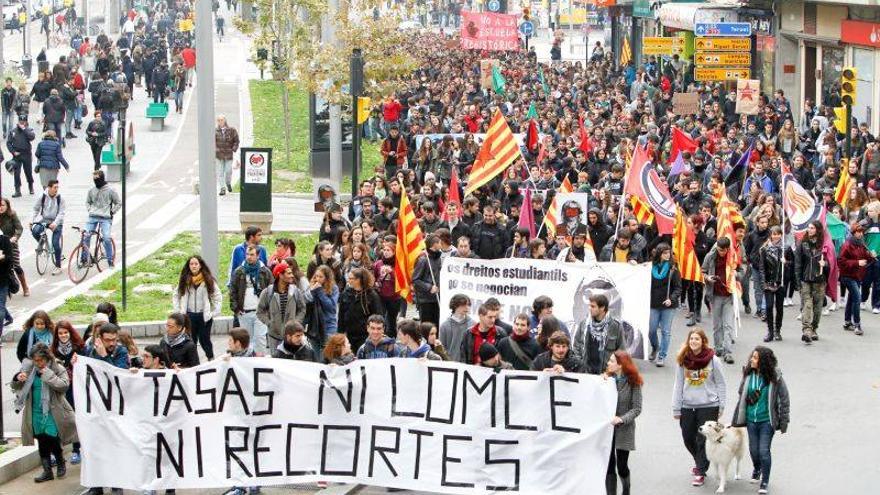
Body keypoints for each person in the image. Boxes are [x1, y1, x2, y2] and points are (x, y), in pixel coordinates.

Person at [12, 344, 77, 484]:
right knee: (41, 439)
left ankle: (60, 463)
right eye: (35, 360)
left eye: (41, 360)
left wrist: (48, 374)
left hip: (53, 410)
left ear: (47, 358)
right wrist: (18, 378)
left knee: (52, 438)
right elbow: (16, 387)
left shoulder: (57, 368)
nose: (38, 363)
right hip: (35, 410)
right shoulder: (29, 369)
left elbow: (64, 385)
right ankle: (47, 471)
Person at [731, 347, 791, 495]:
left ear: (763, 361)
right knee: (753, 450)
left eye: (756, 358)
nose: (752, 359)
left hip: (767, 421)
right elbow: (741, 395)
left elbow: (784, 399)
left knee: (764, 451)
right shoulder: (748, 375)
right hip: (752, 420)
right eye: (752, 357)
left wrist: (784, 420)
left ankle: (765, 480)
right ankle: (757, 468)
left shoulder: (775, 378)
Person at [672, 329, 726, 488]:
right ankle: (700, 460)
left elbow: (721, 383)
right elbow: (678, 384)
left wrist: (721, 404)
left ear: (703, 341)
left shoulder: (713, 360)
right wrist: (676, 408)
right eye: (691, 339)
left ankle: (701, 471)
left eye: (697, 339)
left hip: (709, 406)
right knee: (688, 437)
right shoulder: (682, 360)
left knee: (703, 440)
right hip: (687, 406)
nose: (693, 341)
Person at [604, 350, 643, 495]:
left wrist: (621, 419)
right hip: (607, 429)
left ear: (620, 365)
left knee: (621, 465)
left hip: (624, 429)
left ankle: (626, 490)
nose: (608, 363)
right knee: (609, 465)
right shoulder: (606, 379)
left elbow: (637, 408)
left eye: (611, 361)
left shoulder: (634, 381)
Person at [701, 237, 742, 363]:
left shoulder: (733, 257)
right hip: (715, 295)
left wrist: (737, 274)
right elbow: (702, 271)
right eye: (719, 250)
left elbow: (742, 271)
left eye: (724, 250)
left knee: (728, 325)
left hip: (729, 295)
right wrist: (707, 278)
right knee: (717, 325)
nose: (721, 253)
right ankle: (718, 348)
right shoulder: (710, 256)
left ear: (728, 249)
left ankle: (728, 352)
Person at [173, 255, 223, 359]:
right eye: (191, 264)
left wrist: (213, 312)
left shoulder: (208, 280)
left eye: (196, 264)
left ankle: (211, 359)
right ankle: (193, 362)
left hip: (204, 316)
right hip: (189, 316)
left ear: (200, 266)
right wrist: (178, 311)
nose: (194, 266)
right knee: (191, 341)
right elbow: (176, 295)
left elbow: (217, 296)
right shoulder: (184, 280)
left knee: (205, 340)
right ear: (188, 266)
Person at [50, 320, 83, 464]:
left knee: (74, 418)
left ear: (70, 332)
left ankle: (76, 450)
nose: (63, 335)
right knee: (57, 418)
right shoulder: (53, 350)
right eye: (60, 333)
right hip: (60, 388)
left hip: (75, 387)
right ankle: (57, 453)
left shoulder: (79, 347)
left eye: (65, 332)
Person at [229, 245, 273, 354]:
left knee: (260, 339)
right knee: (246, 341)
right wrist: (236, 309)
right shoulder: (239, 271)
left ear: (258, 256)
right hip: (244, 312)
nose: (249, 257)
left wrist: (269, 309)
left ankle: (260, 363)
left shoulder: (265, 271)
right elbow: (232, 291)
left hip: (261, 313)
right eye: (247, 254)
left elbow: (272, 290)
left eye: (252, 254)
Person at [572, 294, 627, 375]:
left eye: (593, 306)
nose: (589, 308)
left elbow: (621, 352)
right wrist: (580, 366)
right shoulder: (584, 324)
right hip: (586, 373)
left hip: (606, 374)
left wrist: (611, 372)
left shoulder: (615, 326)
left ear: (602, 308)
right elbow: (576, 346)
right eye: (589, 306)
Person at [258, 262, 307, 351]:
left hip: (291, 336)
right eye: (288, 273)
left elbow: (302, 309)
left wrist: (296, 322)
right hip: (274, 336)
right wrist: (269, 323)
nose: (292, 275)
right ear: (280, 275)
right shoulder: (268, 292)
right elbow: (259, 311)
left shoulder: (296, 291)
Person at [794, 220, 828, 344]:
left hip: (819, 281)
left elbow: (832, 264)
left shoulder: (824, 244)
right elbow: (797, 264)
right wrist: (798, 282)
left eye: (812, 228)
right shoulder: (802, 244)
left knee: (818, 307)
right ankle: (807, 330)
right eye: (809, 227)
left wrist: (826, 264)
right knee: (807, 305)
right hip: (806, 279)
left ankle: (814, 328)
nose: (809, 230)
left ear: (818, 230)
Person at [648, 243, 681, 367]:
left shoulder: (673, 268)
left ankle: (662, 356)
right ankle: (655, 347)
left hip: (668, 305)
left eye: (669, 253)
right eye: (665, 253)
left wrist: (671, 299)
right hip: (654, 303)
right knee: (651, 330)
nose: (668, 255)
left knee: (666, 331)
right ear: (659, 254)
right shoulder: (651, 266)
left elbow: (678, 288)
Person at [838, 222, 873, 336]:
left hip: (857, 276)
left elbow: (865, 257)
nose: (860, 234)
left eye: (861, 232)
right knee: (857, 298)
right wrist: (857, 262)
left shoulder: (861, 244)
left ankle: (847, 322)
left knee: (852, 298)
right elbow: (841, 261)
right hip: (847, 276)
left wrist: (870, 255)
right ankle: (857, 324)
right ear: (853, 233)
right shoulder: (847, 245)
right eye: (858, 232)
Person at [338, 267, 383, 352]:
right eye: (349, 278)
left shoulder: (371, 295)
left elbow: (378, 315)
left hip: (365, 335)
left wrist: (374, 332)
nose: (349, 281)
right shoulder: (346, 293)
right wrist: (340, 332)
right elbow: (341, 314)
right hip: (349, 333)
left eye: (352, 279)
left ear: (359, 280)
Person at [30, 179, 66, 274]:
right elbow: (35, 209)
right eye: (55, 187)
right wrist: (31, 220)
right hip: (45, 220)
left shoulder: (60, 198)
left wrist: (55, 223)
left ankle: (58, 266)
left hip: (56, 222)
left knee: (55, 243)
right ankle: (42, 243)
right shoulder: (42, 196)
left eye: (57, 187)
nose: (56, 189)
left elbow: (61, 213)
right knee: (35, 231)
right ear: (49, 188)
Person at [303, 264, 339, 354]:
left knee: (328, 354)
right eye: (316, 276)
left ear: (327, 278)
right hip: (314, 326)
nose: (318, 279)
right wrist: (312, 291)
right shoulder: (312, 285)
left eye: (321, 277)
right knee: (315, 355)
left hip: (328, 326)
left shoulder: (334, 288)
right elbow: (305, 301)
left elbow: (331, 307)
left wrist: (319, 291)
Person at [759, 226, 785, 342]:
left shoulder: (785, 249)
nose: (776, 236)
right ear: (770, 235)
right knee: (769, 306)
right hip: (769, 282)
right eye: (774, 234)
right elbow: (762, 267)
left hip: (780, 282)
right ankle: (770, 331)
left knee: (779, 308)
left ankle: (777, 331)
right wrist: (764, 282)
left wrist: (786, 262)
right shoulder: (764, 249)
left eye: (778, 234)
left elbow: (791, 265)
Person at [0, 198, 30, 296]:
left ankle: (25, 287)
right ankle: (5, 289)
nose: (1, 207)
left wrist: (15, 237)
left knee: (16, 265)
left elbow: (19, 228)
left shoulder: (12, 215)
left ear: (7, 206)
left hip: (11, 244)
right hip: (1, 245)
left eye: (3, 205)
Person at [412, 234, 442, 325]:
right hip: (426, 300)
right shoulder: (423, 260)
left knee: (436, 324)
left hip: (437, 298)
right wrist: (429, 287)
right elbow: (415, 280)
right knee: (427, 325)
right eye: (440, 243)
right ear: (434, 245)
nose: (441, 244)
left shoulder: (438, 258)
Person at [438, 294, 473, 363]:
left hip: (469, 365)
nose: (467, 308)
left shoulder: (473, 324)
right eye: (463, 305)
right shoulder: (445, 326)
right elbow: (442, 349)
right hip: (450, 364)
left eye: (468, 305)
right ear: (455, 306)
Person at [7, 115, 36, 196]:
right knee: (16, 173)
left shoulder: (29, 130)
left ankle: (31, 186)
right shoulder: (13, 131)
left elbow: (32, 137)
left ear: (26, 122)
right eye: (20, 121)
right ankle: (17, 190)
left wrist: (24, 129)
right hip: (17, 155)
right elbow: (8, 143)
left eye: (23, 121)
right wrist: (13, 152)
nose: (22, 123)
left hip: (26, 154)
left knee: (28, 172)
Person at [215, 115, 240, 195]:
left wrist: (234, 148)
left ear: (225, 120)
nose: (220, 121)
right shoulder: (215, 131)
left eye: (221, 120)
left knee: (228, 171)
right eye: (218, 120)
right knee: (220, 172)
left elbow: (236, 140)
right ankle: (222, 188)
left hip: (229, 155)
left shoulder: (232, 130)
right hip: (219, 155)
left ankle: (228, 183)